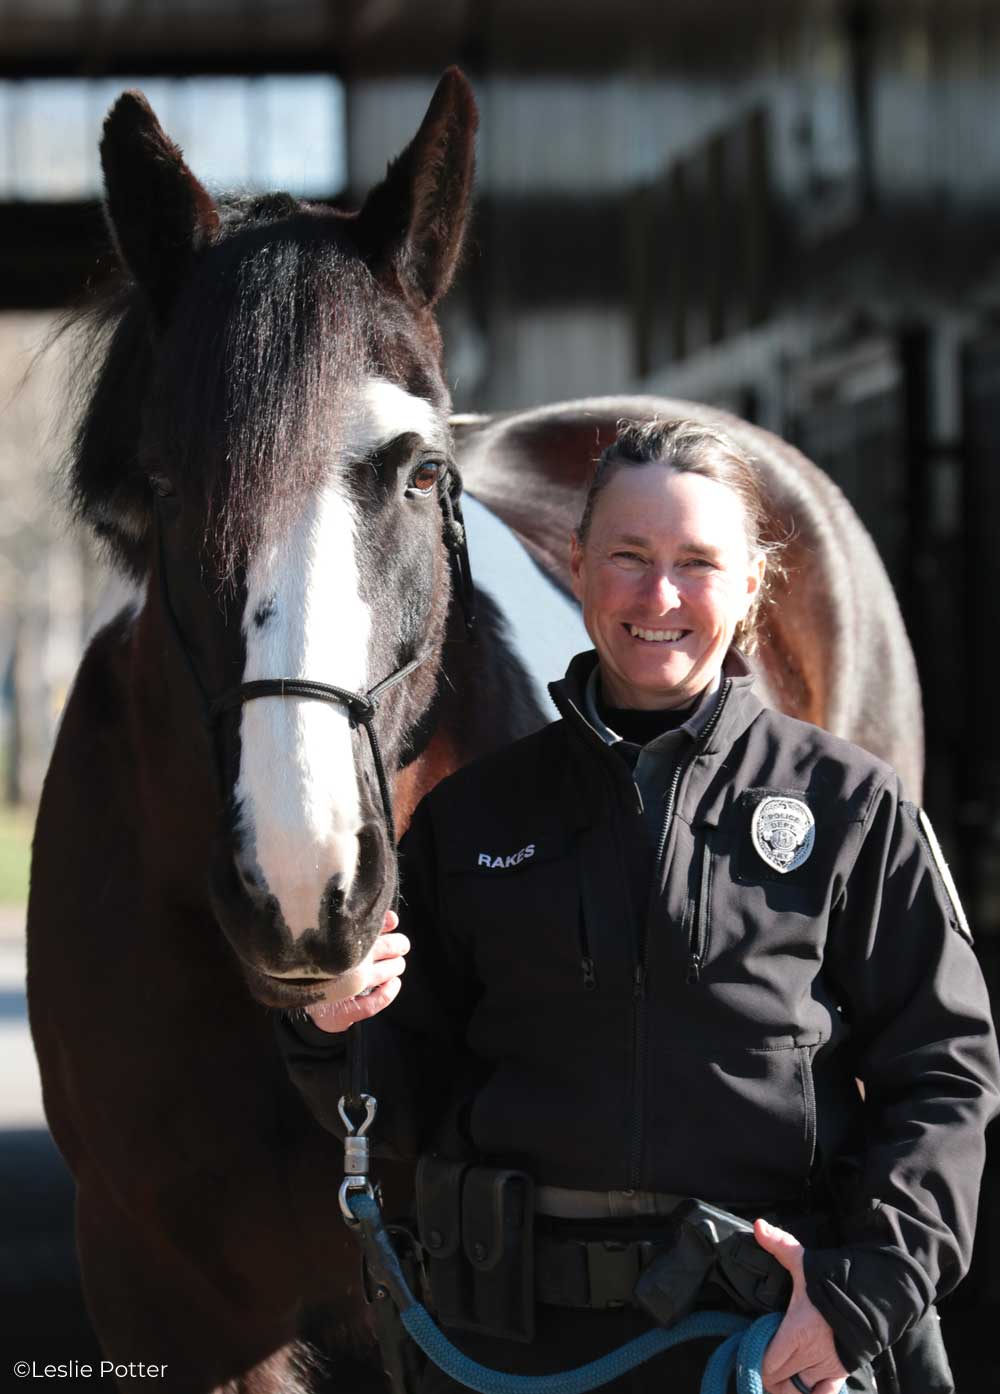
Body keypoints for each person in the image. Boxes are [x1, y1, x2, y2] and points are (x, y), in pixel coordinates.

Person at [276, 419, 1000, 1394]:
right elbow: (398, 1102)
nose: (660, 595)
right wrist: (330, 1025)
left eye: (697, 562)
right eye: (629, 556)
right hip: (509, 1349)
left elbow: (944, 1078)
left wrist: (859, 1298)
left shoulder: (849, 807)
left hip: (770, 1343)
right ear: (577, 566)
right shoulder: (469, 818)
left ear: (750, 584)